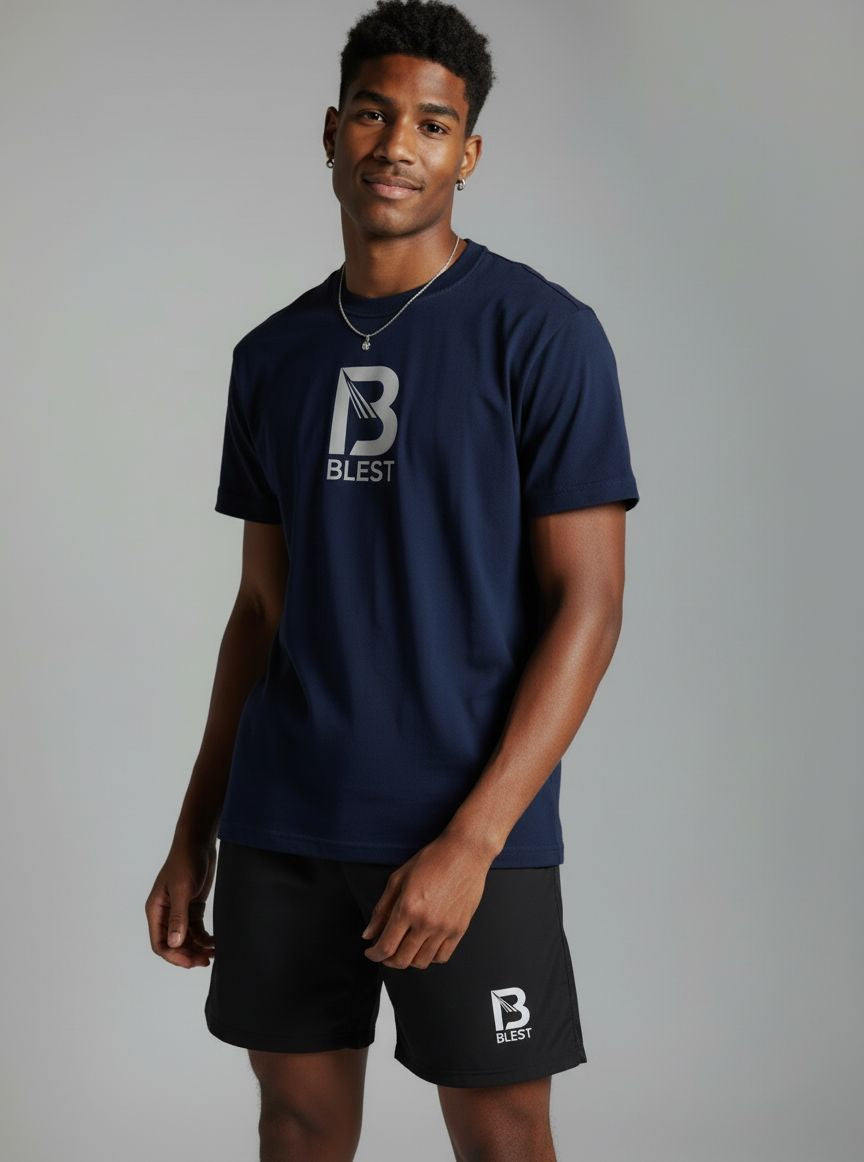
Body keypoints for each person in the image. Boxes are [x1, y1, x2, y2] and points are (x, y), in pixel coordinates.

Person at [145, 1, 640, 1158]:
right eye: (373, 113)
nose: (397, 144)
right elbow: (259, 611)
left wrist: (472, 841)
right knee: (298, 1123)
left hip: (468, 828)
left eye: (432, 123)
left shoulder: (543, 334)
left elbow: (591, 605)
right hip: (286, 825)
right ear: (332, 132)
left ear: (468, 153)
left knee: (504, 1132)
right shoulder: (272, 357)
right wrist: (194, 829)